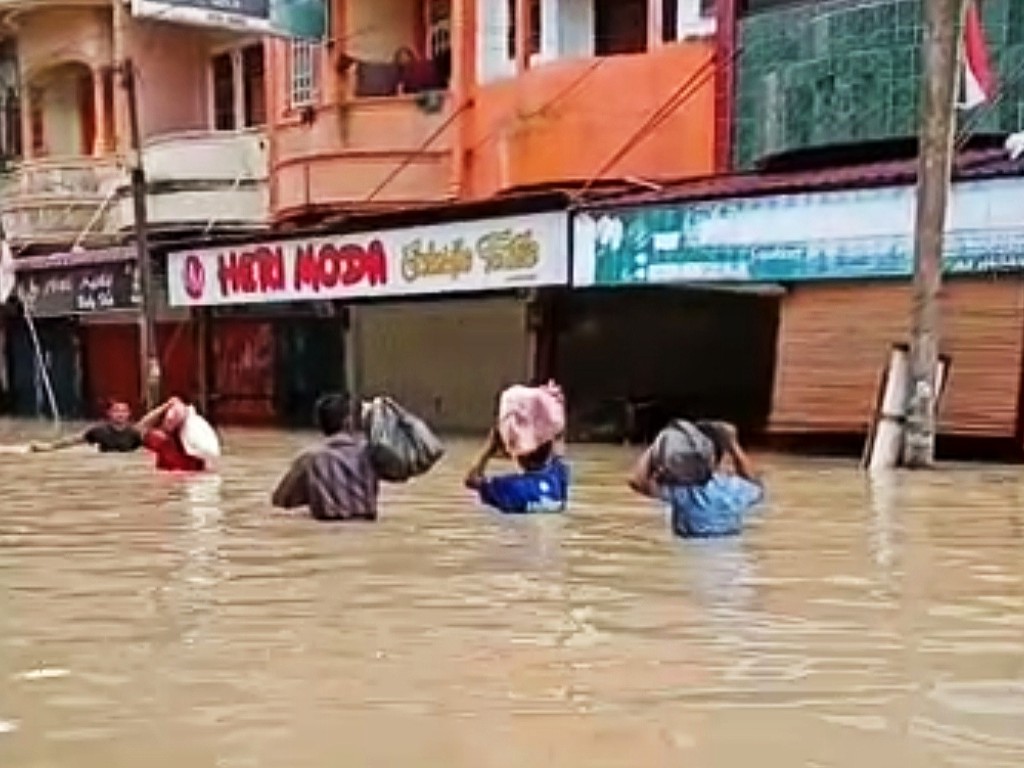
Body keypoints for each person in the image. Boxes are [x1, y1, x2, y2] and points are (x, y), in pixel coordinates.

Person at [628, 420, 763, 538]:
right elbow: (755, 484)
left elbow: (637, 481)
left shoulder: (684, 491)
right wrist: (733, 444)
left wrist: (658, 445)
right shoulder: (734, 487)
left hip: (689, 551)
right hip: (730, 553)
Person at [271, 392, 379, 521]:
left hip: (328, 528)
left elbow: (281, 501)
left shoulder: (309, 459)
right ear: (348, 422)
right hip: (367, 527)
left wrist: (311, 490)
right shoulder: (371, 453)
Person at [464, 427, 570, 514]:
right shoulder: (558, 475)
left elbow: (471, 480)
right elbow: (557, 444)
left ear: (519, 457)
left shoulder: (508, 487)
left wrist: (489, 448)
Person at [30, 399, 143, 454]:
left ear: (129, 414)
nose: (120, 414)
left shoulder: (134, 433)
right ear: (109, 413)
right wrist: (49, 447)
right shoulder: (100, 431)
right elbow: (74, 440)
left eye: (124, 411)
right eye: (116, 411)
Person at [137, 396, 206, 473]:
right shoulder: (162, 440)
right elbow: (139, 429)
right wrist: (166, 406)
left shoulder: (197, 443)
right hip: (171, 480)